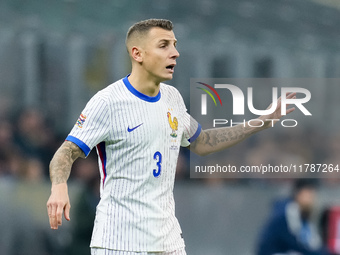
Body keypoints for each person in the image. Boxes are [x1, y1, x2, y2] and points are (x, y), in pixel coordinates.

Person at [47, 19, 296, 255]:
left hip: (167, 239)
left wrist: (258, 124)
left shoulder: (172, 98)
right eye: (164, 45)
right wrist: (59, 187)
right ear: (138, 54)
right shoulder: (108, 102)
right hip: (119, 240)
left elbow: (202, 142)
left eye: (175, 45)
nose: (175, 52)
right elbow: (65, 153)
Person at [256, 179, 330, 255]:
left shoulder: (303, 218)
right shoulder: (284, 215)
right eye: (308, 195)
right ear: (298, 194)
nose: (311, 200)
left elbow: (313, 244)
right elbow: (296, 245)